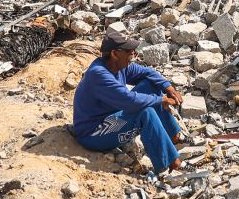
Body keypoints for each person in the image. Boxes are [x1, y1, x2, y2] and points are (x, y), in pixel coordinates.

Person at [72, 31, 186, 176]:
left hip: (112, 115)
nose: (133, 53)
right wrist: (162, 100)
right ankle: (170, 165)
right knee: (145, 112)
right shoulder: (99, 74)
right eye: (128, 51)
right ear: (114, 54)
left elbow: (148, 73)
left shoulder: (118, 66)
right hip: (92, 132)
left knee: (151, 85)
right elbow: (129, 100)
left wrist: (168, 87)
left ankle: (174, 136)